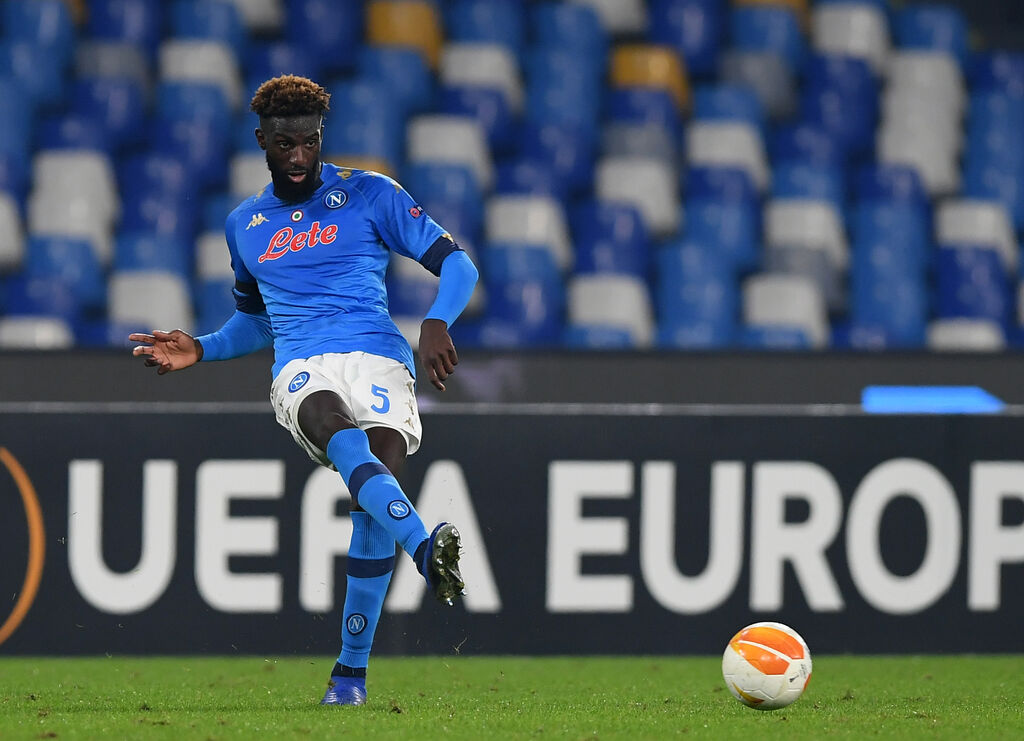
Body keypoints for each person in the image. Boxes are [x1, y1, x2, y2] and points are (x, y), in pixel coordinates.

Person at [129, 75, 479, 707]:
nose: (297, 156)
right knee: (329, 422)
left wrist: (435, 321)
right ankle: (427, 550)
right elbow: (257, 319)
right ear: (262, 139)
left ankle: (349, 678)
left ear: (322, 138)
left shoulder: (371, 194)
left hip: (378, 358)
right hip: (302, 363)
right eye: (284, 143)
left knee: (375, 496)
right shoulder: (246, 224)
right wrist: (203, 347)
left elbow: (458, 263)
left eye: (308, 142)